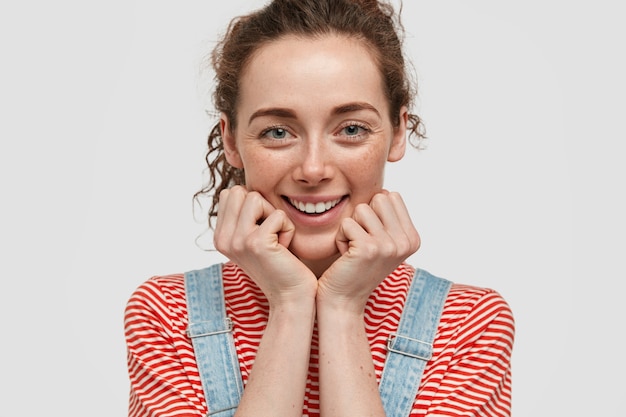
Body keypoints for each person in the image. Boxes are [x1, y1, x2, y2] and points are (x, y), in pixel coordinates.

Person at [124, 0, 515, 416]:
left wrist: (343, 307)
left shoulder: (469, 325)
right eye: (277, 131)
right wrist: (290, 304)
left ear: (398, 132)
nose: (313, 169)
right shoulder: (166, 315)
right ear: (233, 140)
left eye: (350, 129)